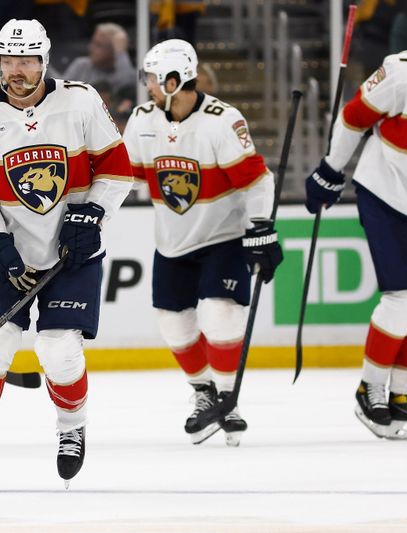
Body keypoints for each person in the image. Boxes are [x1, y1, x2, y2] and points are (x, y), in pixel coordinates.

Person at [0, 18, 133, 491]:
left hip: (74, 251)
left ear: (44, 61)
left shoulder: (81, 100)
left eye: (26, 60)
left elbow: (117, 169)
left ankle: (72, 429)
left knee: (59, 349)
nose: (16, 70)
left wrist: (92, 215)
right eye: (7, 60)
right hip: (8, 251)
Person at [122, 40, 282, 447]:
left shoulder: (221, 121)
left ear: (175, 81)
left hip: (221, 238)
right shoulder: (142, 120)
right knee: (173, 325)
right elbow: (126, 177)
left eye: (154, 79)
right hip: (171, 242)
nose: (148, 86)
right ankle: (203, 392)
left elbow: (257, 179)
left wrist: (261, 226)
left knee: (220, 313)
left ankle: (229, 399)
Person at [304, 49, 407, 440]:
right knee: (402, 296)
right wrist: (331, 168)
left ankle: (403, 393)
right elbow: (354, 116)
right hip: (387, 193)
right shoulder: (403, 72)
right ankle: (371, 389)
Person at [63, 23, 134, 94]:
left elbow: (127, 87)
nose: (90, 48)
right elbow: (60, 90)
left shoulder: (122, 73)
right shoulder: (81, 65)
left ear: (113, 51)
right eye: (93, 42)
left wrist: (121, 53)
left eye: (98, 45)